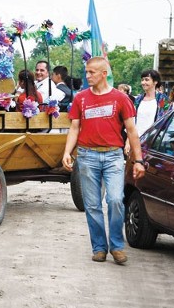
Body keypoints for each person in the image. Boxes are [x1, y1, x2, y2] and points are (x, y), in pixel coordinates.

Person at [62, 56, 145, 265]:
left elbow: (132, 131)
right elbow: (74, 128)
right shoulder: (80, 98)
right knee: (92, 205)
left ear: (104, 74)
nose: (87, 76)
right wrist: (67, 152)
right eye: (87, 72)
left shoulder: (120, 98)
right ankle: (99, 247)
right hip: (87, 156)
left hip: (113, 156)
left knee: (116, 200)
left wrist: (138, 160)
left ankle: (116, 246)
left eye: (91, 72)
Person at [133, 69, 168, 138]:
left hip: (153, 141)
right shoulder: (138, 100)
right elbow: (132, 121)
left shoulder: (162, 100)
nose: (143, 82)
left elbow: (165, 120)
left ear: (155, 82)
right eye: (142, 80)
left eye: (147, 80)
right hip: (136, 140)